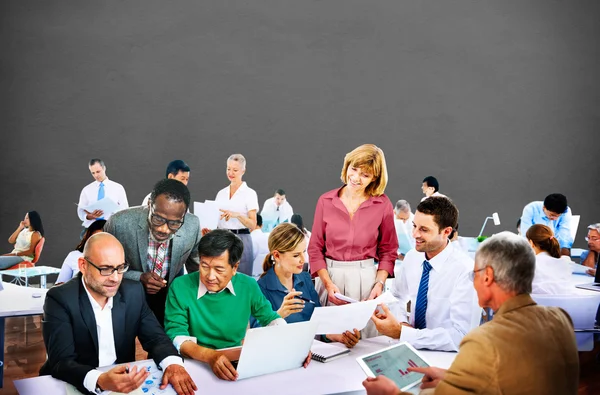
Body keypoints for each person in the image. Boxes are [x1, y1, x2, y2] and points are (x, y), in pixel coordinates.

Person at [363, 232, 579, 395]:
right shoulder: (561, 318)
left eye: (474, 274)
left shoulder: (483, 341)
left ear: (487, 277)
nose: (471, 282)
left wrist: (392, 393)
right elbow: (514, 378)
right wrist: (452, 376)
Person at [40, 233, 197, 395]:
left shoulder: (133, 292)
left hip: (120, 381)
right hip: (71, 381)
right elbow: (62, 362)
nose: (115, 278)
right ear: (83, 265)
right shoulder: (59, 298)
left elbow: (156, 337)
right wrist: (100, 380)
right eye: (106, 269)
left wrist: (173, 364)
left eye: (120, 268)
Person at [164, 229, 287, 381]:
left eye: (219, 269)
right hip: (195, 362)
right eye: (204, 266)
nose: (210, 276)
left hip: (235, 361)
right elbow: (177, 335)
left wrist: (293, 344)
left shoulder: (248, 285)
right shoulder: (180, 286)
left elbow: (271, 318)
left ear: (235, 267)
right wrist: (210, 356)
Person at [308, 144, 398, 338]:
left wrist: (379, 284)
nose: (356, 178)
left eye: (365, 175)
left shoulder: (382, 204)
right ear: (346, 166)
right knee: (327, 341)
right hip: (329, 278)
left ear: (375, 177)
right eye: (354, 169)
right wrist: (327, 283)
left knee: (364, 340)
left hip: (366, 280)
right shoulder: (325, 201)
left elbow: (389, 250)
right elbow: (315, 248)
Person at [371, 197, 477, 352]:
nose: (414, 234)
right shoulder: (413, 257)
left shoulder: (465, 271)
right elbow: (396, 296)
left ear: (446, 232)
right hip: (411, 349)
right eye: (414, 226)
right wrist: (403, 324)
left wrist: (403, 333)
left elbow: (462, 336)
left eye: (424, 230)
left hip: (447, 357)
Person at [104, 178, 201, 326]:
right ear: (149, 205)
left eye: (174, 223)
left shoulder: (192, 225)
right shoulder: (118, 223)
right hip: (127, 296)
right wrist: (139, 277)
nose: (164, 229)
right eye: (158, 219)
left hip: (168, 299)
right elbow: (104, 269)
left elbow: (198, 269)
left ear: (184, 215)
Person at [252, 223, 361, 348]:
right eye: (296, 255)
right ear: (277, 255)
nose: (303, 259)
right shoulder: (259, 288)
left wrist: (336, 336)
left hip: (312, 351)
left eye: (303, 252)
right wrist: (279, 314)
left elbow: (318, 322)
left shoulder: (305, 279)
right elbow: (255, 337)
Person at [203, 153, 259, 276]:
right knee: (221, 275)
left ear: (243, 171)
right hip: (222, 238)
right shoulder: (221, 193)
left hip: (241, 238)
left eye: (235, 170)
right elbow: (216, 220)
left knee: (241, 279)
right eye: (228, 169)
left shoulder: (249, 193)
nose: (231, 173)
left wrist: (237, 215)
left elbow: (253, 224)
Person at [77, 159, 128, 231]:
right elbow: (80, 211)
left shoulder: (118, 188)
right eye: (93, 173)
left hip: (113, 227)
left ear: (104, 168)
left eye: (98, 172)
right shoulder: (86, 190)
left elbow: (125, 209)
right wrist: (89, 216)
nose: (96, 175)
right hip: (92, 227)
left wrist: (113, 212)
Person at [525, 224, 572, 294]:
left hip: (537, 302)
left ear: (531, 243)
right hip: (563, 303)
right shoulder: (565, 262)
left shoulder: (529, 264)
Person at [56, 220, 106, 284]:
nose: (99, 243)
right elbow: (59, 284)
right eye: (95, 239)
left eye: (103, 239)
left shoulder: (117, 259)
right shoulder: (73, 256)